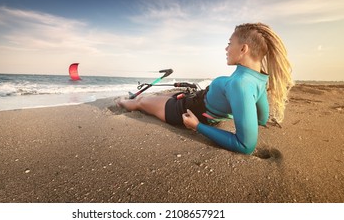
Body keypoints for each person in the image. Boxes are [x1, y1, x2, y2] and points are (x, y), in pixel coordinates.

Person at [117, 23, 294, 154]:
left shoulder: (240, 84)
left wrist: (197, 126)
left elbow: (246, 146)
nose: (226, 48)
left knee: (141, 101)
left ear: (243, 48)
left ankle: (122, 102)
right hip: (196, 101)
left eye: (229, 43)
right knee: (169, 96)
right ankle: (135, 100)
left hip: (185, 111)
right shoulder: (258, 79)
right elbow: (261, 119)